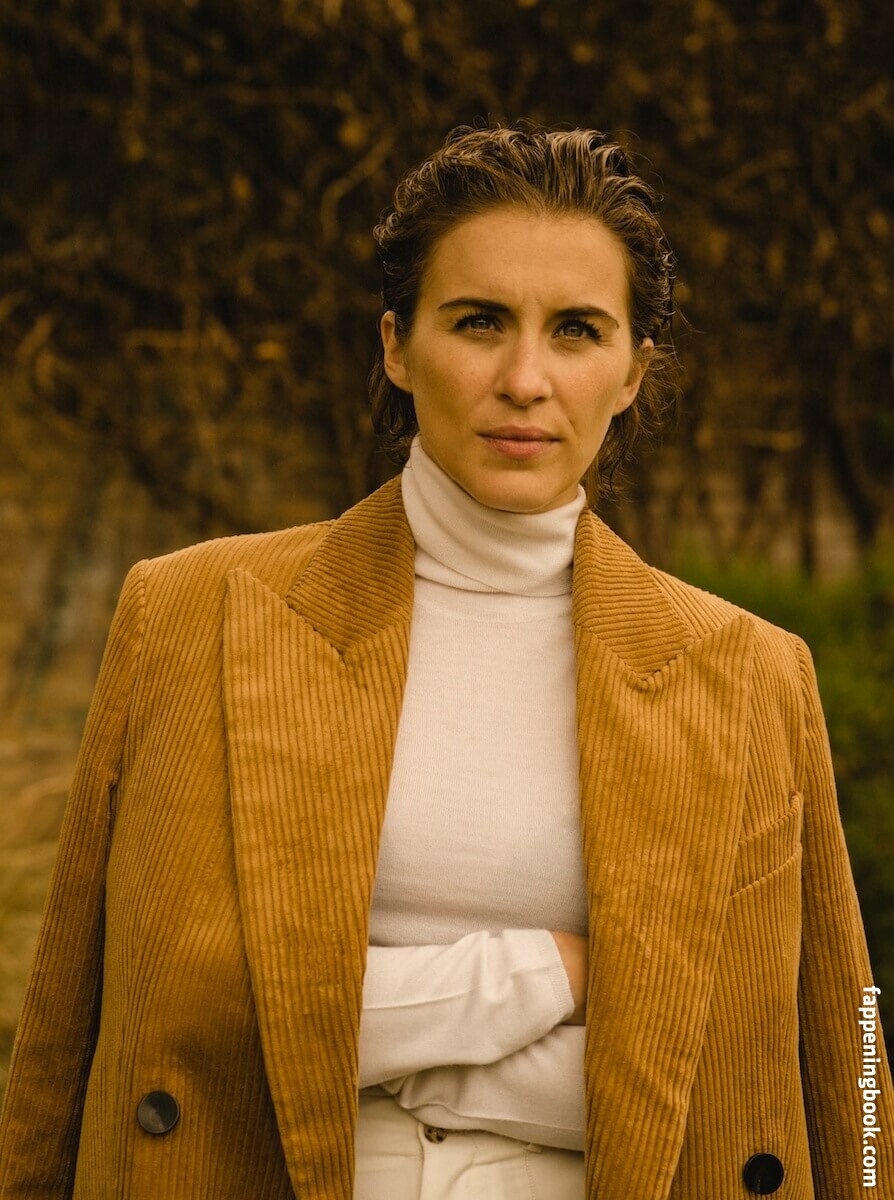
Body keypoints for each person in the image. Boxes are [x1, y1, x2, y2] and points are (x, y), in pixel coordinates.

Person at [0, 123, 890, 1200]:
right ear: (397, 345)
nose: (525, 379)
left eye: (576, 330)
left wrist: (401, 1056)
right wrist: (542, 975)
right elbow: (120, 1022)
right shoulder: (190, 616)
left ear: (631, 372)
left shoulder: (750, 675)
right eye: (479, 322)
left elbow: (847, 1058)